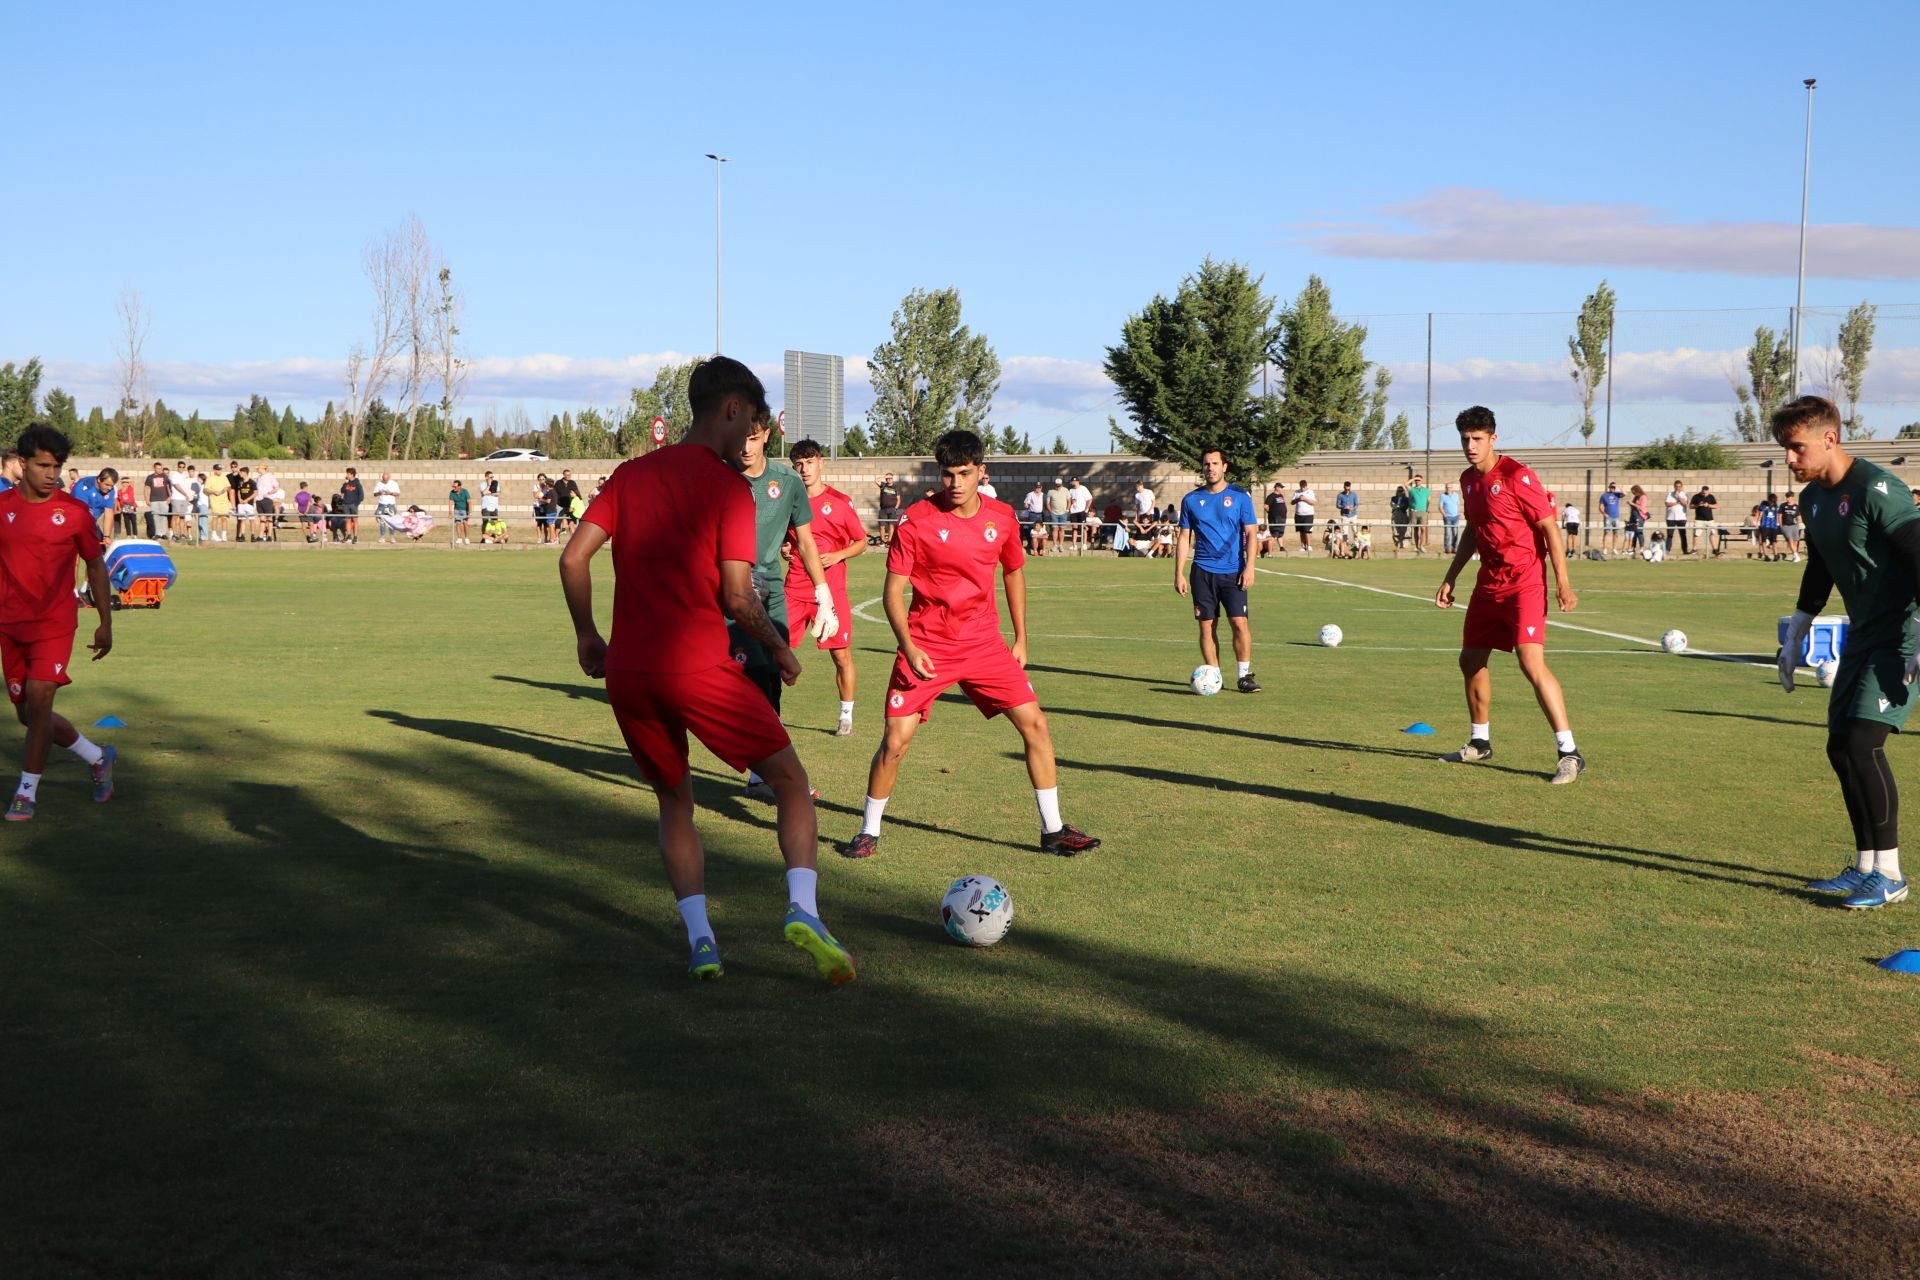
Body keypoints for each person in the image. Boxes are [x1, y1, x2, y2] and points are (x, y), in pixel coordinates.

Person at [558, 355, 853, 984]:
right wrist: (779, 649)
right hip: (695, 667)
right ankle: (804, 911)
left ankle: (702, 943)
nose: (752, 432)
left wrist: (588, 636)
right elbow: (739, 599)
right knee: (791, 782)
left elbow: (573, 559)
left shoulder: (631, 474)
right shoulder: (729, 489)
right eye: (751, 418)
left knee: (675, 803)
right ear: (731, 408)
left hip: (630, 673)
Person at [842, 429, 1100, 861]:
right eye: (948, 474)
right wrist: (907, 646)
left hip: (984, 645)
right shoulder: (916, 520)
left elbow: (1014, 572)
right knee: (895, 742)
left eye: (965, 473)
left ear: (982, 471)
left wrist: (1020, 637)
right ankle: (868, 831)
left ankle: (1053, 830)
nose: (956, 483)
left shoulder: (1001, 518)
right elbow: (892, 594)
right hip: (927, 645)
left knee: (1036, 725)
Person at [1777, 395, 1915, 910]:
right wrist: (1798, 629)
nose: (1790, 460)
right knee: (1840, 748)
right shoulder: (1813, 499)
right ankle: (1865, 868)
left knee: (1863, 744)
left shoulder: (1878, 488)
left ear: (1829, 438)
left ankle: (1892, 875)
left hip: (1902, 633)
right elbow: (1821, 566)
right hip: (1862, 633)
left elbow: (1918, 552)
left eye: (1797, 448)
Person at [1434, 405, 1585, 784]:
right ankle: (1480, 742)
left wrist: (1563, 581)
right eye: (1465, 439)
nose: (1471, 445)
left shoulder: (1518, 476)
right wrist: (1451, 576)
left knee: (1530, 663)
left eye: (1478, 438)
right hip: (1488, 583)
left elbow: (1550, 529)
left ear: (1493, 438)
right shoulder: (1468, 479)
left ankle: (1569, 752)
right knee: (1469, 660)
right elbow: (1473, 529)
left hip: (1525, 583)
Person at [0, 424, 116, 820]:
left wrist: (105, 621)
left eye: (57, 466)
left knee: (40, 700)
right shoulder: (2, 509)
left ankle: (26, 793)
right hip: (10, 624)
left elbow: (96, 565)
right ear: (23, 463)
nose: (52, 474)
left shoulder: (74, 512)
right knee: (30, 715)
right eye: (43, 465)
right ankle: (97, 757)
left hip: (54, 622)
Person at [732, 407, 836, 802]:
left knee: (773, 678)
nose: (746, 446)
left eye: (754, 437)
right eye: (741, 436)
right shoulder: (720, 475)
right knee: (754, 673)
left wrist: (824, 597)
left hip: (772, 589)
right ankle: (782, 775)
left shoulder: (787, 480)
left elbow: (806, 542)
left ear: (766, 438)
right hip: (732, 589)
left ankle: (762, 774)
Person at [784, 439, 867, 736]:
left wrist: (839, 554)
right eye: (798, 464)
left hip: (830, 593)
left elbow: (861, 542)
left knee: (841, 656)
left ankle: (846, 715)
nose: (804, 469)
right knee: (774, 651)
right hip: (794, 588)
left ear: (821, 463)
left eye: (809, 462)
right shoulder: (789, 500)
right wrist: (785, 547)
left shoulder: (841, 503)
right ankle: (767, 714)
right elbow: (786, 539)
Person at [1176, 447, 1261, 695]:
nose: (1210, 468)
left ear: (1225, 467)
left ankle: (1244, 676)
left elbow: (1251, 534)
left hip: (1233, 570)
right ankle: (1214, 675)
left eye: (1215, 463)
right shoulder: (1191, 500)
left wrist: (1250, 567)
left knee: (1239, 622)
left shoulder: (1240, 496)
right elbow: (1183, 537)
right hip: (1202, 571)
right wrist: (1178, 572)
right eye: (1206, 464)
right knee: (1206, 626)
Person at [70, 467, 116, 543]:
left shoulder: (110, 489)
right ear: (99, 480)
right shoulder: (83, 486)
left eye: (112, 485)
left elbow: (109, 512)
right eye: (107, 485)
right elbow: (82, 514)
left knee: (101, 551)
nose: (110, 488)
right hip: (74, 522)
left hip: (91, 522)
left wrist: (106, 536)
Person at [373, 471, 402, 544]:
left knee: (391, 522)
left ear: (389, 477)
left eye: (386, 479)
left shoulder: (394, 483)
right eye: (384, 479)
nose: (385, 480)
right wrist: (380, 492)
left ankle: (392, 537)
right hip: (382, 505)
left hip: (390, 505)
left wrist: (390, 493)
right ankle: (382, 537)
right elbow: (375, 494)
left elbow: (398, 494)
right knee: (382, 522)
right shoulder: (379, 484)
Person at [144, 462, 170, 540]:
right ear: (154, 468)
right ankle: (158, 533)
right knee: (156, 517)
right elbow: (146, 488)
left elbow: (167, 487)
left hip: (164, 499)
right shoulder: (150, 477)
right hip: (154, 500)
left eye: (160, 468)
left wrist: (169, 497)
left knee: (164, 516)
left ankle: (164, 533)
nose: (159, 470)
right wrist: (146, 499)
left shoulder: (164, 476)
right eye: (157, 468)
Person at [1691, 483, 1718, 557]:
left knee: (1712, 533)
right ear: (1701, 491)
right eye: (1703, 493)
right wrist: (1698, 505)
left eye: (1706, 493)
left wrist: (1708, 505)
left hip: (1709, 519)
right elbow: (1691, 506)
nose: (1704, 494)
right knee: (1696, 534)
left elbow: (1716, 506)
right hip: (1699, 519)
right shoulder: (1696, 496)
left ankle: (1715, 549)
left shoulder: (1711, 497)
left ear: (1708, 491)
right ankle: (1694, 549)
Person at [1664, 480, 1690, 556]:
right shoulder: (1670, 494)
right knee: (1669, 534)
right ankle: (1667, 550)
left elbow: (1685, 503)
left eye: (1679, 486)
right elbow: (1667, 503)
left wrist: (1679, 497)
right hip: (1670, 518)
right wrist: (1676, 503)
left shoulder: (1685, 494)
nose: (1678, 488)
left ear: (1681, 487)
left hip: (1681, 518)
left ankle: (1685, 550)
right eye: (1676, 486)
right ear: (1674, 486)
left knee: (1683, 534)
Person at [1067, 475, 1093, 548]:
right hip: (1073, 512)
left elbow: (1090, 499)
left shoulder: (1083, 488)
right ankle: (1074, 545)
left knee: (1083, 528)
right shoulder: (1071, 490)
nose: (1073, 483)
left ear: (1078, 481)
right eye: (1072, 481)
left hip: (1082, 511)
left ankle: (1084, 544)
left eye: (1074, 481)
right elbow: (1070, 500)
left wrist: (1086, 509)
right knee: (1074, 528)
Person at [1291, 480, 1316, 555]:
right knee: (1301, 531)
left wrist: (1305, 499)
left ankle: (1309, 546)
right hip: (1298, 514)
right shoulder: (1297, 492)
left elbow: (1313, 503)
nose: (1302, 488)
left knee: (1307, 531)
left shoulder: (1310, 492)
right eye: (1301, 487)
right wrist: (1298, 499)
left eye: (1304, 487)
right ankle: (1303, 546)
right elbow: (1292, 502)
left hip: (1308, 514)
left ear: (1306, 485)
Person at [1597, 481, 1622, 557]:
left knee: (1616, 533)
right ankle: (1605, 548)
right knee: (1606, 532)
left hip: (1616, 517)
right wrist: (1604, 514)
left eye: (1614, 487)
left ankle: (1614, 548)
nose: (1612, 489)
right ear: (1609, 487)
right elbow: (1600, 507)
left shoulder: (1617, 495)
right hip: (1608, 517)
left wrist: (1618, 486)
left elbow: (1625, 493)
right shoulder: (1604, 496)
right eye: (1611, 487)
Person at [340, 468, 365, 543]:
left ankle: (355, 536)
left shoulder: (357, 483)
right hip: (346, 504)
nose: (347, 475)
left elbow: (361, 495)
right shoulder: (346, 483)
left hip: (353, 504)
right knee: (347, 520)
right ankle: (348, 536)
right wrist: (345, 483)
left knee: (355, 520)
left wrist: (356, 503)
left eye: (348, 474)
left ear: (352, 474)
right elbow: (342, 491)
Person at [1409, 473, 1432, 553]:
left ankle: (1421, 545)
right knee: (1415, 529)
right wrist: (1413, 479)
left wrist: (1428, 508)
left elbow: (1429, 500)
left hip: (1423, 512)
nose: (1417, 481)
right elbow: (1405, 484)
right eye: (1416, 480)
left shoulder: (1426, 490)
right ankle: (1416, 546)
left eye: (1419, 480)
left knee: (1423, 529)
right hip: (1414, 512)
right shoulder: (1412, 489)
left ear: (1421, 481)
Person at [1045, 476, 1070, 548]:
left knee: (1062, 529)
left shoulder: (1066, 490)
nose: (1058, 486)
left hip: (1063, 513)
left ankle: (1061, 545)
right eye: (1057, 485)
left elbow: (1069, 501)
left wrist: (1067, 510)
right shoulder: (1050, 491)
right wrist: (1050, 511)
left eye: (1059, 485)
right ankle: (1055, 545)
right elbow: (1047, 502)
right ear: (1055, 484)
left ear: (1061, 484)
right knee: (1055, 529)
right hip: (1054, 514)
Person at [876, 472, 901, 545]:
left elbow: (898, 499)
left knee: (891, 525)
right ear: (886, 479)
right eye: (887, 478)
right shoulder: (883, 485)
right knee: (881, 526)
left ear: (892, 479)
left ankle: (889, 541)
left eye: (890, 478)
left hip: (892, 509)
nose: (889, 480)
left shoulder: (896, 488)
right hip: (883, 510)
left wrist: (896, 508)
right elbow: (876, 480)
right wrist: (884, 476)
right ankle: (882, 541)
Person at [1439, 481, 1464, 553]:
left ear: (1452, 488)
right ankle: (1447, 548)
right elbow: (1440, 507)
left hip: (1455, 517)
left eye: (1449, 487)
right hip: (1447, 517)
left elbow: (1458, 505)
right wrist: (1444, 515)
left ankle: (1455, 548)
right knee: (1447, 534)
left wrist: (1458, 513)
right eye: (1447, 487)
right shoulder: (1443, 496)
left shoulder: (1456, 495)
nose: (1448, 489)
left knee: (1455, 533)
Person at [1778, 490, 1802, 562]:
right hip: (1786, 526)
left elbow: (1799, 516)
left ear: (1793, 497)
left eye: (1789, 497)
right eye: (1787, 497)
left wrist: (1800, 522)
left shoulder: (1796, 506)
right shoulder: (1783, 505)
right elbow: (1779, 515)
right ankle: (1796, 555)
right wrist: (1781, 525)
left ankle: (1795, 556)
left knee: (1795, 541)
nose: (1788, 499)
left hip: (1794, 526)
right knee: (1790, 540)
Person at [114, 473, 137, 539]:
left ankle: (135, 534)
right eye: (123, 482)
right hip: (124, 507)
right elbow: (118, 500)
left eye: (126, 482)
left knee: (133, 521)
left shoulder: (130, 488)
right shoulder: (119, 491)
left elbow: (131, 481)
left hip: (131, 506)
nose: (125, 483)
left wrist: (126, 480)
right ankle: (128, 535)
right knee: (127, 521)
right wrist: (119, 508)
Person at [1390, 484, 1412, 550]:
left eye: (1401, 491)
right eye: (1399, 491)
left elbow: (1406, 506)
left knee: (1403, 529)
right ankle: (1398, 542)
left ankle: (1403, 543)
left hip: (1403, 514)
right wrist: (1397, 506)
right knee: (1396, 529)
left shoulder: (1406, 499)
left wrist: (1399, 506)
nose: (1400, 492)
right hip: (1395, 514)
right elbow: (1392, 505)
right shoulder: (1393, 498)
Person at [449, 479, 471, 544]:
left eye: (455, 487)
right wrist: (450, 513)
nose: (454, 488)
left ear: (459, 486)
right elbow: (451, 503)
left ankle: (467, 538)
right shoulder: (452, 493)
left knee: (465, 523)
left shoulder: (465, 491)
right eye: (453, 486)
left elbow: (469, 502)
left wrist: (470, 512)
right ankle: (459, 538)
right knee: (458, 523)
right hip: (457, 510)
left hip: (464, 510)